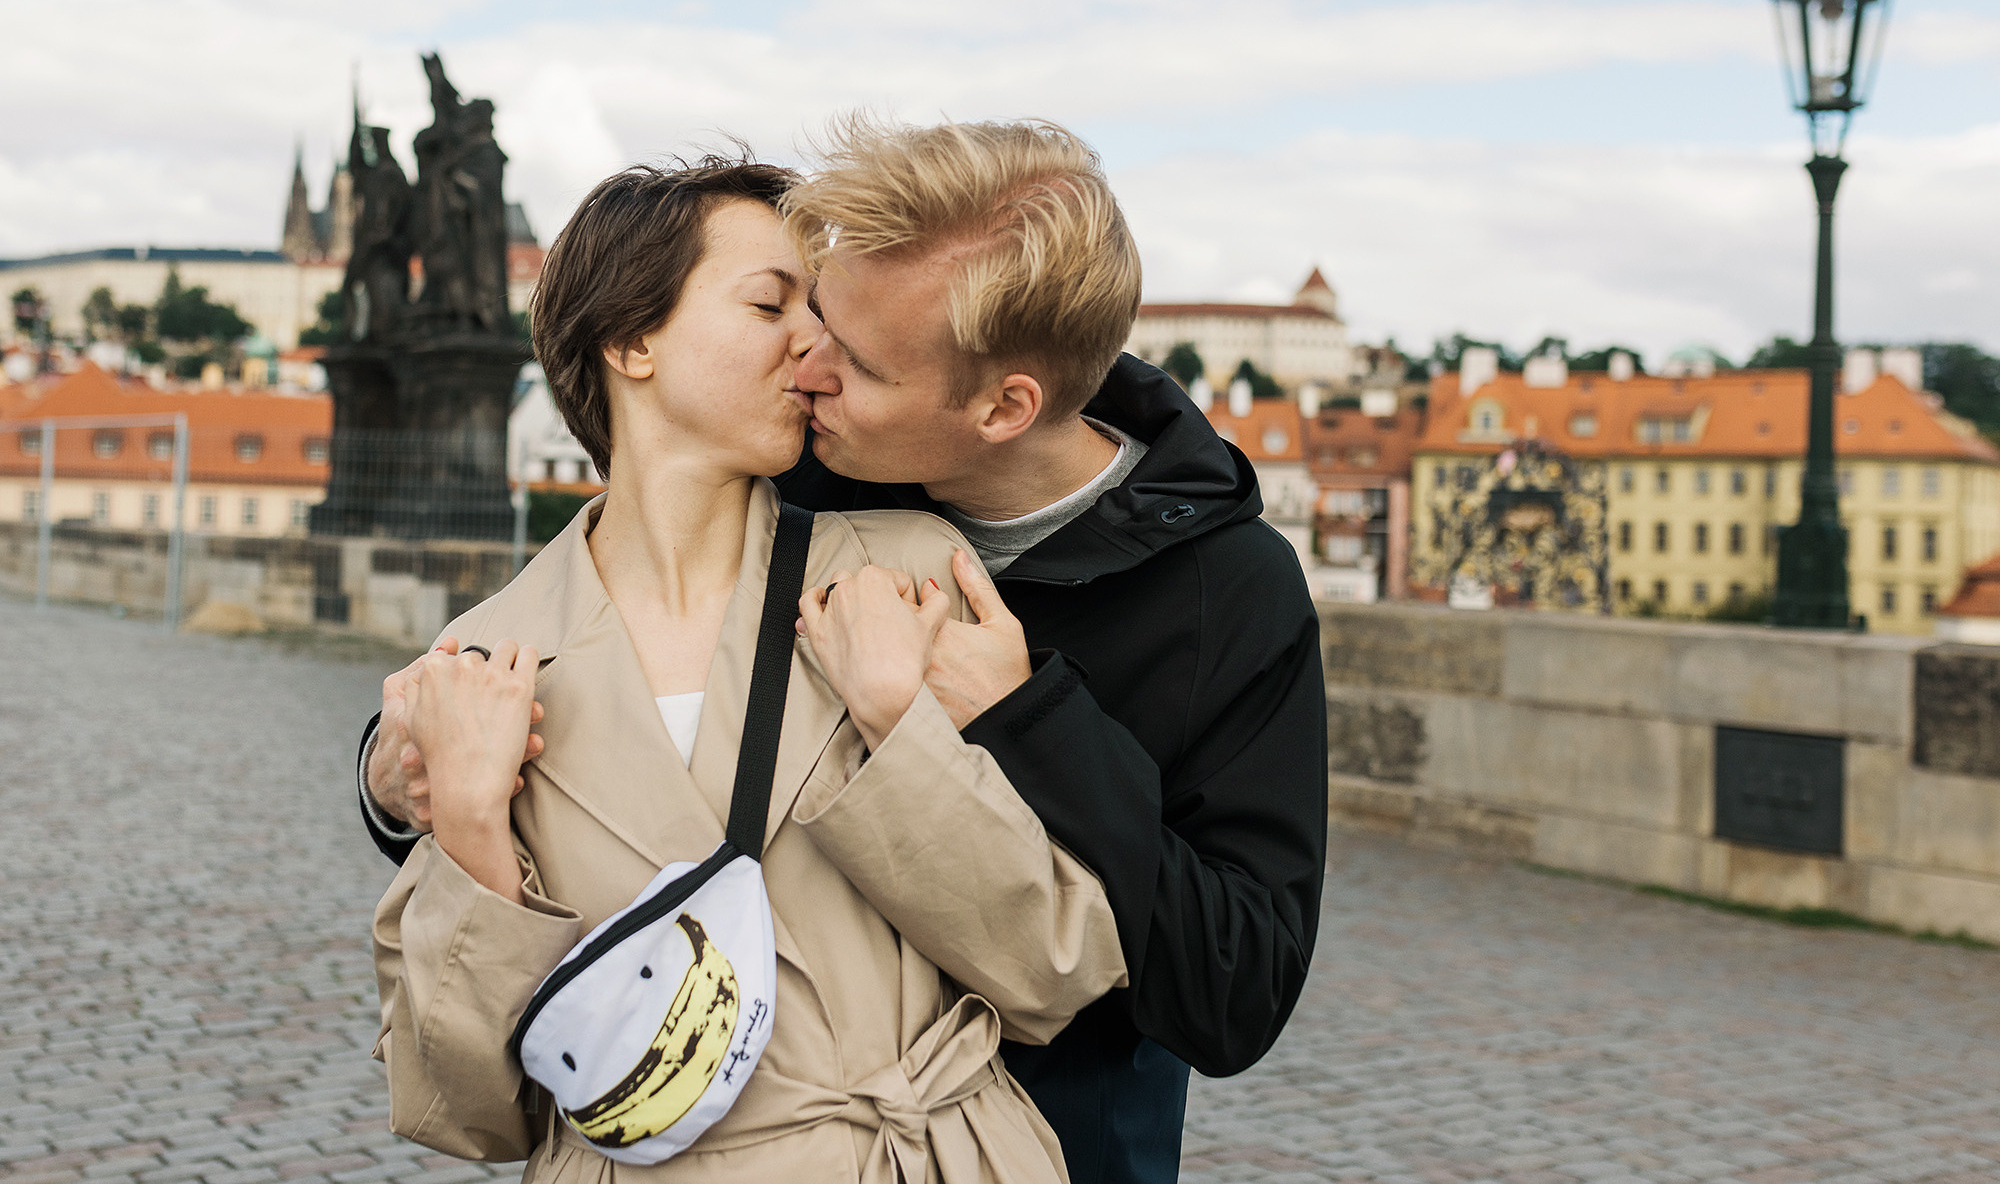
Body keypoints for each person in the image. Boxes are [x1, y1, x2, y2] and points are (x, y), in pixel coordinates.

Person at [363, 119, 1329, 1184]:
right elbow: (583, 641)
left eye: (848, 354)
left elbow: (1226, 988)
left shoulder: (1210, 591)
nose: (807, 363)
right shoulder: (810, 463)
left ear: (1002, 408)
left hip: (1023, 1138)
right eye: (799, 309)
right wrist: (406, 774)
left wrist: (1018, 721)